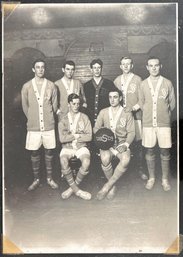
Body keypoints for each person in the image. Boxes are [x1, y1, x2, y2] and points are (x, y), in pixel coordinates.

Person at [21, 59, 58, 191]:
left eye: (42, 67)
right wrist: (32, 118)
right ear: (33, 69)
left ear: (45, 69)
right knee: (34, 151)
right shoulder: (26, 86)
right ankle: (36, 179)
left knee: (49, 150)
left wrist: (47, 117)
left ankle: (49, 178)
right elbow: (25, 107)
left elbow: (54, 106)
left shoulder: (52, 85)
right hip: (34, 126)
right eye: (38, 67)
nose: (40, 69)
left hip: (48, 125)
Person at [140, 56, 175, 191]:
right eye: (151, 65)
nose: (153, 68)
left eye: (156, 65)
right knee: (149, 149)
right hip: (148, 123)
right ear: (147, 67)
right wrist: (149, 114)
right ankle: (152, 177)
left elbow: (172, 104)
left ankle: (165, 179)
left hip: (164, 123)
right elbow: (142, 103)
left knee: (165, 150)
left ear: (161, 66)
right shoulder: (143, 84)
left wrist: (163, 115)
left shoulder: (167, 83)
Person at [93, 88, 135, 200]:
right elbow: (96, 129)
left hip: (121, 142)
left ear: (120, 98)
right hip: (107, 144)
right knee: (105, 158)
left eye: (115, 97)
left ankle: (107, 186)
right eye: (110, 97)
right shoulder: (103, 112)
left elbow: (131, 132)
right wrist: (102, 134)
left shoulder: (127, 113)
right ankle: (113, 187)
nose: (112, 100)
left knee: (125, 160)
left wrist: (126, 144)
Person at [114, 56, 147, 180]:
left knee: (138, 143)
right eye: (123, 64)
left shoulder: (138, 79)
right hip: (122, 118)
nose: (126, 66)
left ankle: (140, 169)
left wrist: (133, 108)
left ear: (132, 65)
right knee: (123, 141)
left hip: (136, 116)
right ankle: (124, 171)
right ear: (120, 66)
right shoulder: (117, 80)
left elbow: (142, 99)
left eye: (128, 64)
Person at [59, 93, 92, 200]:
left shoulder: (84, 117)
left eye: (78, 104)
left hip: (81, 146)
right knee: (63, 161)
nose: (76, 106)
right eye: (74, 104)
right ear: (69, 104)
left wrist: (72, 136)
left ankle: (71, 189)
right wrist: (77, 135)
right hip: (67, 147)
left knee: (86, 162)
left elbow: (89, 137)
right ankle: (77, 191)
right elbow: (62, 139)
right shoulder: (63, 119)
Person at [83, 58, 116, 127]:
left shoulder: (109, 83)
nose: (97, 70)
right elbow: (84, 102)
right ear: (91, 70)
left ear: (101, 69)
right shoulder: (86, 85)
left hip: (106, 118)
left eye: (99, 68)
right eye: (94, 68)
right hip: (90, 118)